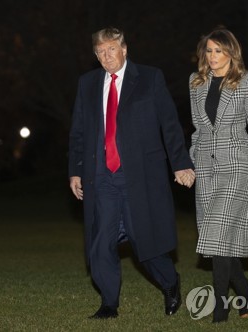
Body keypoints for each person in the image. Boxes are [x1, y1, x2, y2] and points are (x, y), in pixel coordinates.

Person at [68, 27, 195, 319]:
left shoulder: (149, 78)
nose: (106, 56)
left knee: (143, 242)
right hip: (100, 176)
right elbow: (78, 132)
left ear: (124, 50)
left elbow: (169, 124)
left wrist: (180, 162)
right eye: (100, 51)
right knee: (100, 242)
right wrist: (75, 171)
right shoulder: (87, 83)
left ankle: (170, 282)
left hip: (137, 175)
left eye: (111, 49)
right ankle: (109, 303)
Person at [189, 27, 248, 323]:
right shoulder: (195, 82)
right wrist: (190, 164)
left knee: (216, 235)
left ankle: (220, 310)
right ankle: (244, 289)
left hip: (237, 165)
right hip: (205, 168)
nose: (213, 57)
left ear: (231, 52)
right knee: (216, 242)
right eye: (209, 51)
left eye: (219, 51)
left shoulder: (247, 80)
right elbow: (199, 131)